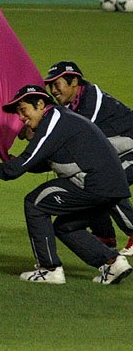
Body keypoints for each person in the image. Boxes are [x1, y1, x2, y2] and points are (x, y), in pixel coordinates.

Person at [0, 85, 133, 285]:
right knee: (66, 226)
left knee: (35, 203)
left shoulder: (54, 120)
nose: (21, 118)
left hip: (94, 183)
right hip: (110, 185)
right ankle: (112, 263)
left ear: (41, 104)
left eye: (23, 110)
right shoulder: (62, 118)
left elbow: (23, 164)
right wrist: (15, 162)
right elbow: (42, 162)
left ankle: (49, 269)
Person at [43, 61, 133, 256]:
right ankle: (104, 236)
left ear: (74, 81)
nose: (53, 90)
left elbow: (75, 137)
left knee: (108, 184)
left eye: (57, 84)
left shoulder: (91, 100)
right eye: (50, 86)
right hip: (119, 149)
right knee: (90, 183)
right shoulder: (72, 104)